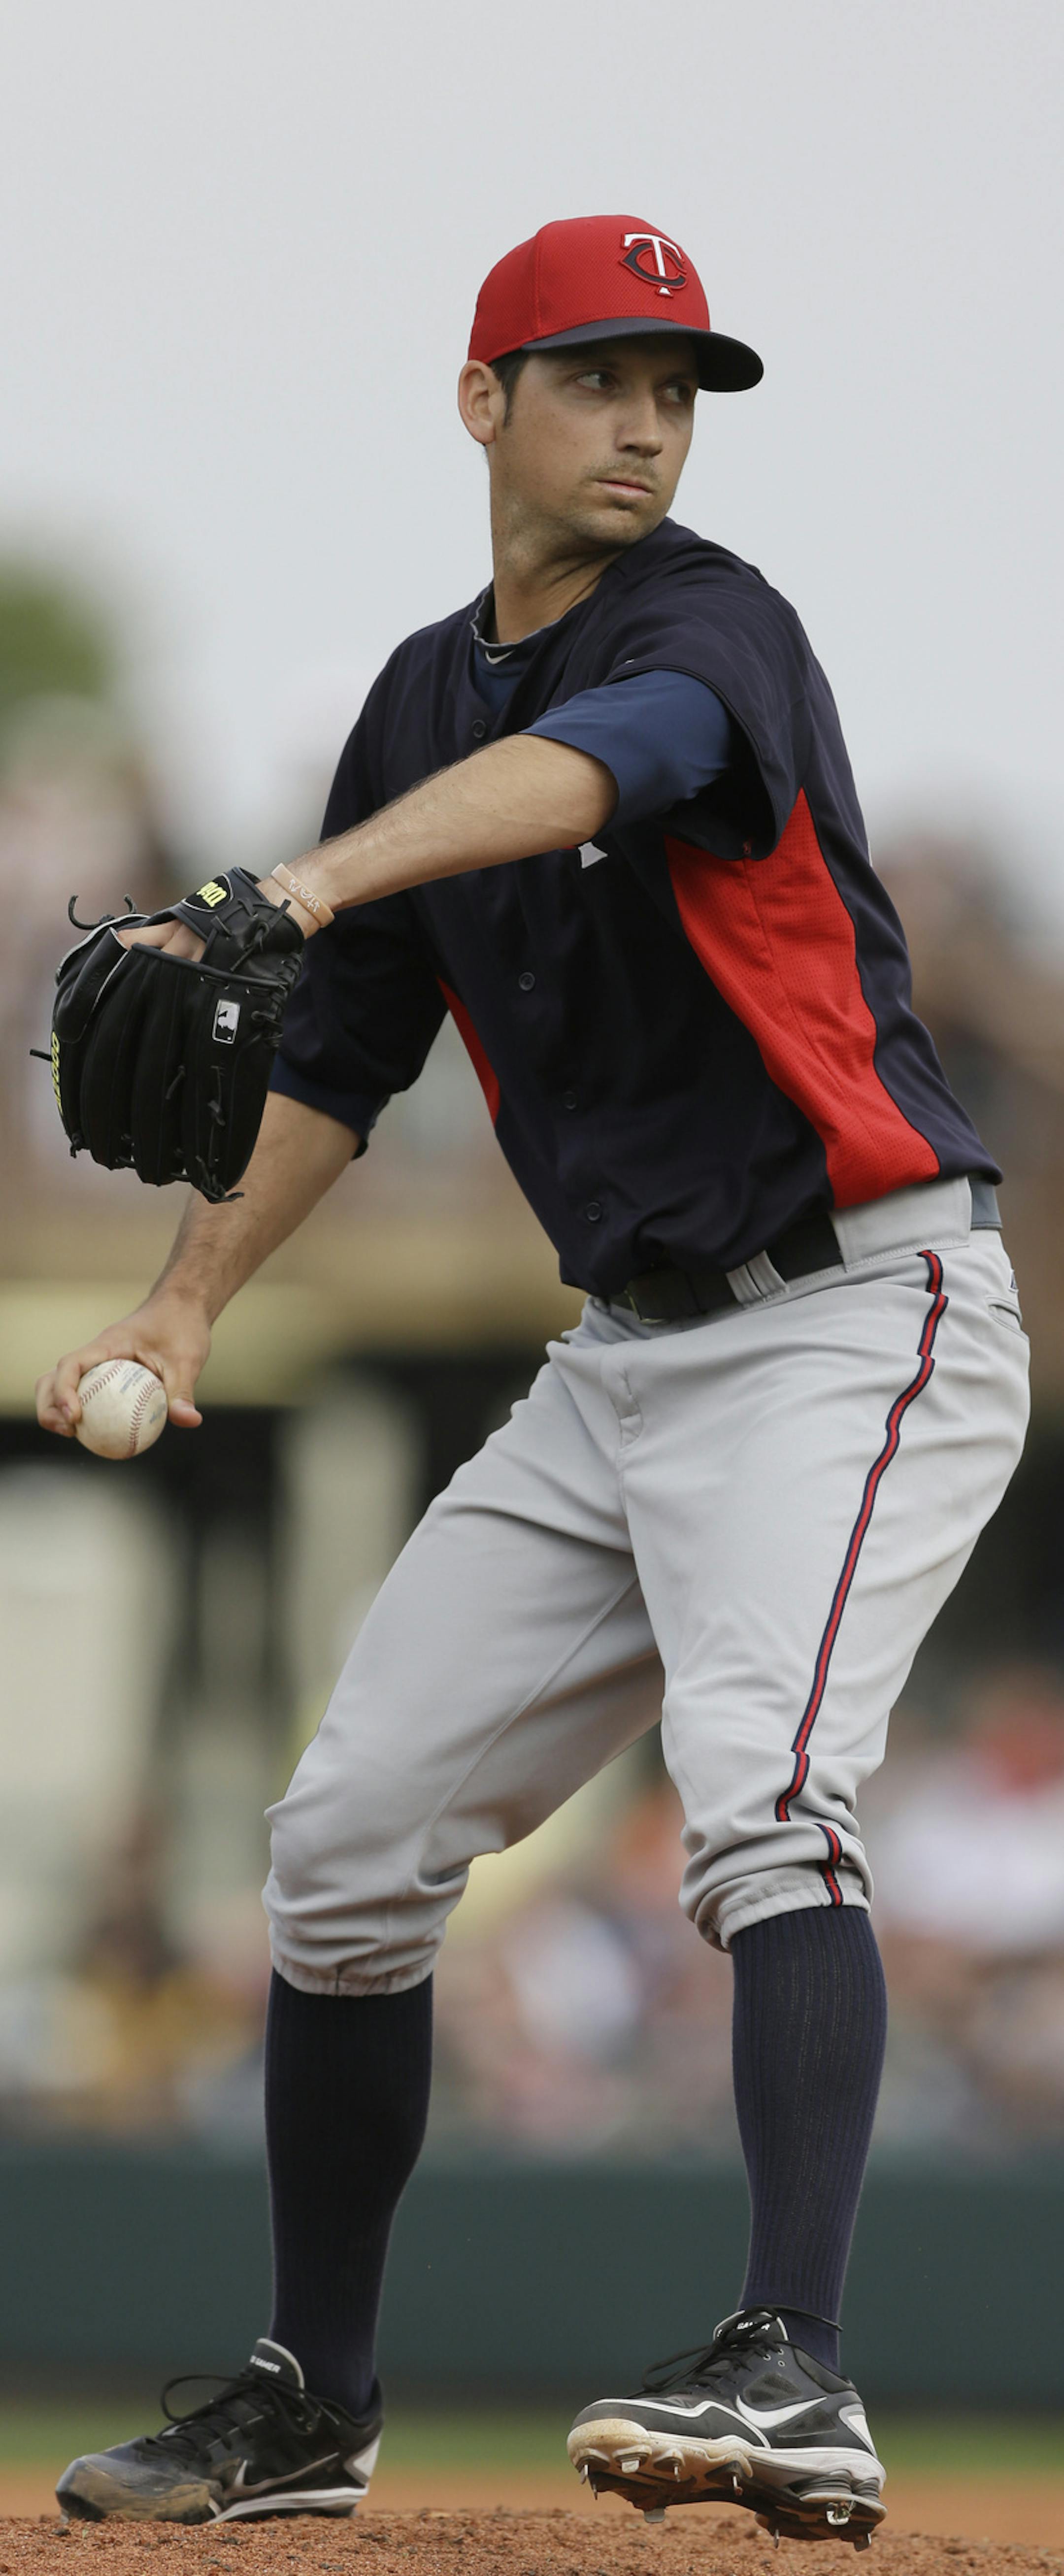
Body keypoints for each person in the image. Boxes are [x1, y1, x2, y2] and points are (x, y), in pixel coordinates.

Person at [37, 214, 1030, 2541]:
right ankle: (314, 2399)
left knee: (768, 1784)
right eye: (596, 377)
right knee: (345, 1845)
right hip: (626, 1365)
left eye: (678, 383)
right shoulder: (413, 703)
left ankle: (800, 2367)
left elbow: (605, 773)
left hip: (854, 1312)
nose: (651, 421)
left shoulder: (712, 631)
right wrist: (186, 1304)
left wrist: (284, 877)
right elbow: (352, 1051)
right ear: (483, 401)